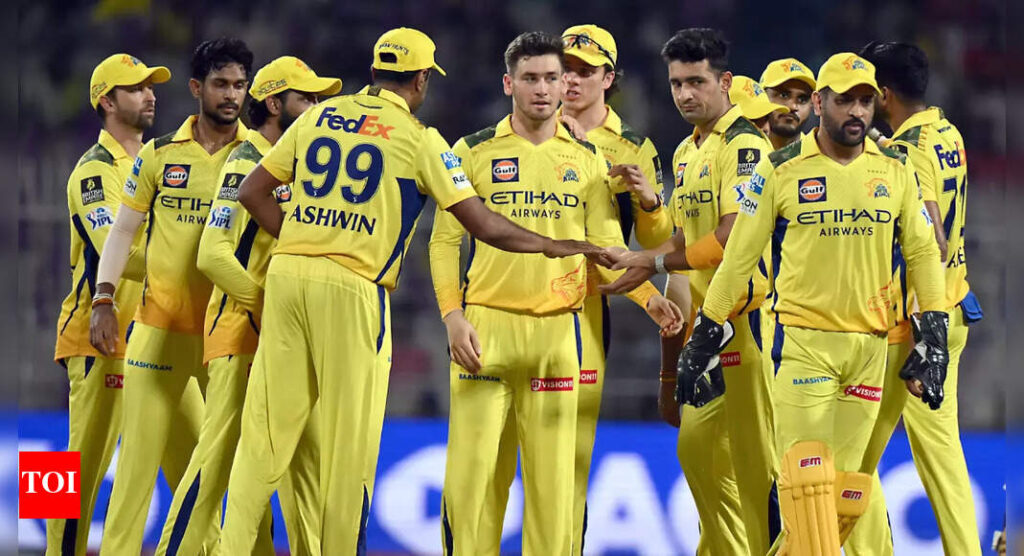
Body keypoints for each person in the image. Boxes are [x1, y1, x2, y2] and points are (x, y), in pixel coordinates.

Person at [217, 27, 608, 553]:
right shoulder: (422, 138)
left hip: (287, 276)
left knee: (261, 441)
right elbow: (483, 226)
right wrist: (555, 245)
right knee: (348, 448)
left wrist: (302, 240)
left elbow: (252, 191)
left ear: (375, 71)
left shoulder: (318, 116)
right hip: (354, 287)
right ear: (422, 79)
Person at [666, 52, 948, 554]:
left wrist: (936, 330)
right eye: (844, 101)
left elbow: (925, 252)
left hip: (869, 349)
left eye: (865, 101)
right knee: (806, 492)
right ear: (820, 104)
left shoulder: (896, 168)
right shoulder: (778, 170)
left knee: (843, 499)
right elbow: (739, 257)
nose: (856, 112)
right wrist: (706, 331)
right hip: (801, 347)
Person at [430, 31, 682, 555]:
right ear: (509, 84)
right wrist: (453, 316)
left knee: (554, 492)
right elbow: (444, 242)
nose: (544, 89)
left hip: (559, 336)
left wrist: (648, 298)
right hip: (486, 329)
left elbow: (606, 246)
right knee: (470, 485)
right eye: (531, 78)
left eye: (551, 77)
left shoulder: (589, 160)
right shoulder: (471, 151)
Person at [601, 28, 778, 555]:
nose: (684, 94)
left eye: (696, 81)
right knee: (696, 449)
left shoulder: (745, 145)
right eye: (677, 83)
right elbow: (685, 237)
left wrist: (650, 260)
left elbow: (729, 238)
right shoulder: (686, 151)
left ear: (724, 81)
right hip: (707, 328)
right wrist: (639, 265)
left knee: (759, 468)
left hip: (748, 323)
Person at [154, 56, 340, 556]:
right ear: (275, 104)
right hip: (242, 334)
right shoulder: (245, 161)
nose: (318, 108)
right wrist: (268, 307)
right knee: (214, 465)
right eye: (307, 99)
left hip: (287, 339)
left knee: (308, 471)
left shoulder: (298, 165)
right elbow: (212, 253)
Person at [90, 38, 253, 555]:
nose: (231, 95)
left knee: (212, 474)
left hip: (221, 337)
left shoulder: (259, 155)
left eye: (240, 85)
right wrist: (102, 299)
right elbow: (117, 235)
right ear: (197, 88)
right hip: (120, 342)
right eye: (221, 84)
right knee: (103, 474)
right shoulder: (142, 158)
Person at [847, 41, 983, 556]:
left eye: (866, 93)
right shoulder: (946, 132)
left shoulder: (906, 152)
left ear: (883, 94)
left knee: (856, 449)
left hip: (915, 329)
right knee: (936, 454)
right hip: (951, 311)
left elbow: (933, 240)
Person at [49, 53, 169, 556]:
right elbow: (116, 251)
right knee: (72, 470)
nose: (150, 94)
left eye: (150, 85)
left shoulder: (158, 162)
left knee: (184, 461)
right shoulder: (92, 172)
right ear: (107, 101)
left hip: (152, 333)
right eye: (136, 88)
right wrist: (187, 260)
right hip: (98, 336)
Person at [760, 58, 817, 150]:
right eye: (783, 95)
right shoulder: (739, 147)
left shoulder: (820, 155)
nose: (792, 106)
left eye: (802, 100)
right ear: (762, 97)